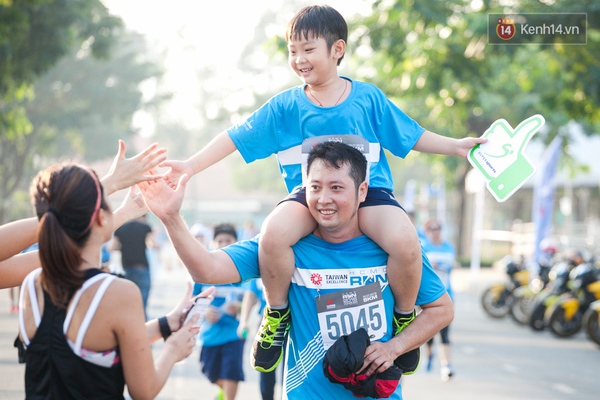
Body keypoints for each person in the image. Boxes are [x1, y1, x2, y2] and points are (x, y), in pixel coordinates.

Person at [161, 4, 484, 373]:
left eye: (308, 49)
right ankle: (278, 314)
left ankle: (404, 317)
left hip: (370, 194)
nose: (299, 58)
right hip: (308, 196)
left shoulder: (368, 99)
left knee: (406, 241)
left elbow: (412, 135)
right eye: (292, 51)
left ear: (337, 49)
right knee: (273, 233)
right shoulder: (284, 107)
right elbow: (234, 138)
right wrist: (189, 165)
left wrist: (457, 146)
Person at [139, 141, 454, 399]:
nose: (324, 199)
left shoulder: (392, 249)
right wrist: (170, 218)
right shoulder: (284, 247)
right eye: (315, 187)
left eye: (336, 187)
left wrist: (395, 346)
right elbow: (206, 269)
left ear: (361, 192)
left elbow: (441, 309)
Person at [16, 161, 213, 399]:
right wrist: (173, 348)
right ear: (101, 217)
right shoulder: (116, 292)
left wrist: (167, 323)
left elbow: (88, 342)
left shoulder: (31, 284)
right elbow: (143, 390)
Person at [0, 139, 167, 290]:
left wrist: (120, 205)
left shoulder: (32, 288)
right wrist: (108, 185)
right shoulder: (121, 292)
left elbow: (72, 246)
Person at [192, 223, 246, 400]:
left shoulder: (245, 270)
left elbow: (253, 297)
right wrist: (205, 312)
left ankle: (228, 396)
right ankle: (222, 389)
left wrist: (240, 307)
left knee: (232, 372)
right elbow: (192, 300)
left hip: (234, 333)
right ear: (212, 244)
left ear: (236, 242)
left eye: (228, 240)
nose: (223, 244)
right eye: (219, 241)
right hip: (209, 335)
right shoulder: (202, 271)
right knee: (210, 371)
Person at [421, 219, 457, 381]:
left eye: (438, 228)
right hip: (428, 297)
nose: (436, 231)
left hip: (447, 295)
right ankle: (429, 355)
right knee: (429, 334)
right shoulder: (423, 247)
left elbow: (452, 264)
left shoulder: (449, 247)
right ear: (427, 231)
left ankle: (446, 366)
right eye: (432, 229)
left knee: (445, 333)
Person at [238, 278, 283, 400]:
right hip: (267, 323)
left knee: (290, 368)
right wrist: (243, 321)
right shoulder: (261, 264)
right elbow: (250, 294)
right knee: (265, 367)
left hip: (291, 322)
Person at [111, 214, 157, 319]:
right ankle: (144, 331)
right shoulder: (145, 227)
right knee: (142, 304)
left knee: (129, 304)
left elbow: (112, 247)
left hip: (126, 270)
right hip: (142, 268)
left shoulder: (121, 228)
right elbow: (154, 245)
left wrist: (125, 246)